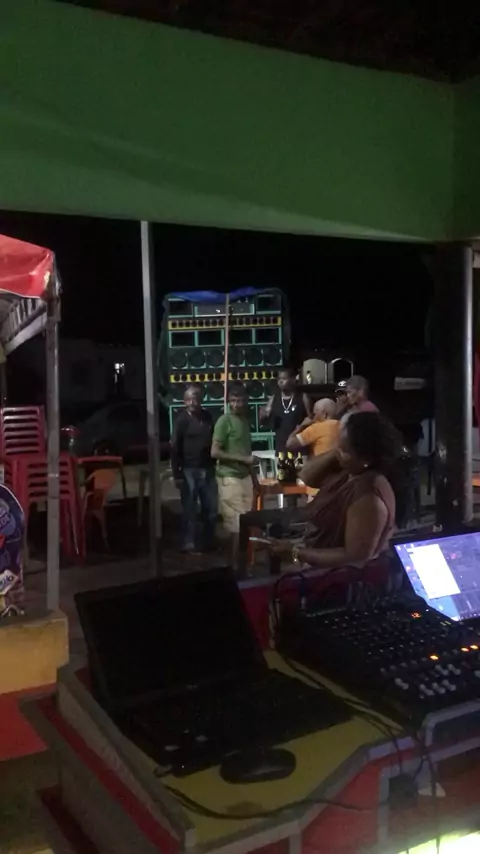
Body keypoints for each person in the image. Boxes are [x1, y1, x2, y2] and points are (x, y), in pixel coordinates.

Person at [267, 411, 398, 572]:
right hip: (319, 568)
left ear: (366, 459)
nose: (338, 453)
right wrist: (339, 450)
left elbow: (355, 557)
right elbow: (306, 475)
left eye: (344, 450)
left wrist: (296, 553)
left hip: (339, 579)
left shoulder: (368, 495)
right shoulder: (348, 471)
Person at [211, 383, 257, 566]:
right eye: (234, 401)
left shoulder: (244, 421)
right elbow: (214, 452)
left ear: (246, 401)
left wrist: (254, 478)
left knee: (245, 524)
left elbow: (247, 451)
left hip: (245, 477)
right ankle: (234, 566)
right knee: (235, 525)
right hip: (229, 477)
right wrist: (243, 459)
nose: (237, 404)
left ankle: (242, 563)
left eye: (240, 400)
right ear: (229, 402)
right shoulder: (224, 421)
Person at [171, 385, 217, 553]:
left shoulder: (207, 417)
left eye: (195, 399)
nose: (192, 402)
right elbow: (175, 448)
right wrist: (177, 474)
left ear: (201, 400)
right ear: (185, 402)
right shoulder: (182, 420)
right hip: (189, 470)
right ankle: (188, 542)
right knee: (190, 509)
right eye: (189, 399)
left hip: (208, 469)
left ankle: (209, 541)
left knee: (210, 509)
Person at [286, 398, 340, 498]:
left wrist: (301, 426)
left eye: (315, 413)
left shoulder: (317, 428)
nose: (313, 417)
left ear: (324, 414)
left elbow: (290, 444)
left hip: (318, 484)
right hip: (339, 485)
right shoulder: (343, 426)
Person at [259, 367, 309, 453]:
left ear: (293, 379)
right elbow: (264, 423)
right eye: (279, 379)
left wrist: (301, 427)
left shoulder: (303, 397)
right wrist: (263, 416)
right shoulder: (273, 399)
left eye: (284, 378)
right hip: (281, 448)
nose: (280, 381)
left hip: (300, 447)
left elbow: (311, 419)